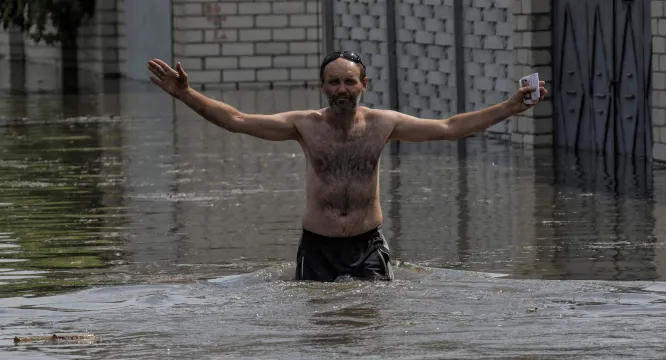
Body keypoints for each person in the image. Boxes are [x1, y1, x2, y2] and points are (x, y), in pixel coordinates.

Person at [147, 51, 547, 283]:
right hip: (317, 249)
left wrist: (511, 107)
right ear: (323, 86)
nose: (341, 90)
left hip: (367, 246)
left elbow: (448, 127)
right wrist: (185, 95)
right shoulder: (303, 125)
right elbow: (235, 120)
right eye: (334, 82)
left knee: (371, 331)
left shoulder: (382, 124)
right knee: (321, 332)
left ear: (363, 85)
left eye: (349, 82)